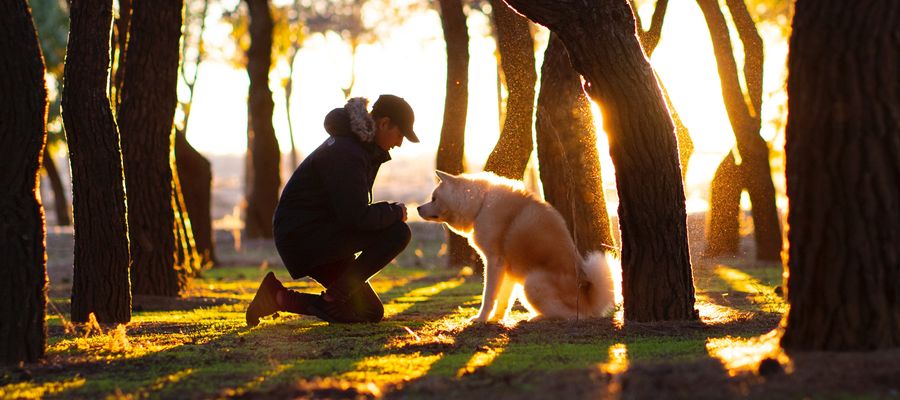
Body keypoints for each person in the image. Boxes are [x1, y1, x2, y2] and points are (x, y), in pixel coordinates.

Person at [246, 95, 419, 327]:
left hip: (317, 235)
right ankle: (333, 298)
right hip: (306, 237)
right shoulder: (348, 152)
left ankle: (276, 297)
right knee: (397, 232)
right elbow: (355, 217)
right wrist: (394, 212)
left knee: (369, 312)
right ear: (384, 123)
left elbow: (350, 212)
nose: (399, 143)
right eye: (400, 135)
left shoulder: (358, 148)